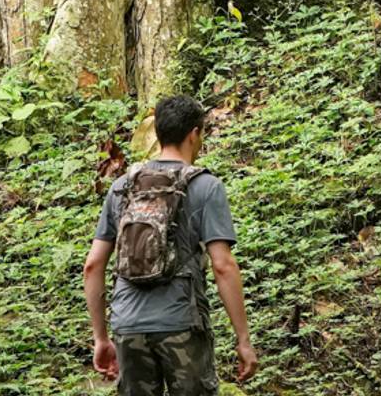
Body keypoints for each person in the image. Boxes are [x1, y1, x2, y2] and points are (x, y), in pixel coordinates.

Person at [83, 95, 258, 395]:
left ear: (158, 133)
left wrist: (101, 337)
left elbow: (93, 265)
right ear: (194, 134)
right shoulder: (205, 186)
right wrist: (243, 339)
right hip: (181, 324)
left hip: (128, 324)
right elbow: (223, 265)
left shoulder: (121, 186)